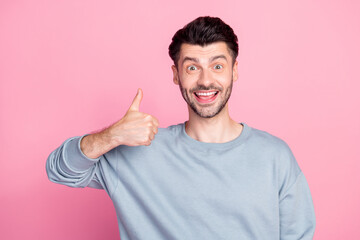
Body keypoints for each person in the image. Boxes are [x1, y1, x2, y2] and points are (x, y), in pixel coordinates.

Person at [46, 16, 316, 239]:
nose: (205, 80)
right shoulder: (137, 151)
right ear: (176, 74)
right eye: (191, 68)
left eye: (217, 66)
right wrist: (112, 135)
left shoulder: (275, 156)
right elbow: (59, 170)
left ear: (234, 71)